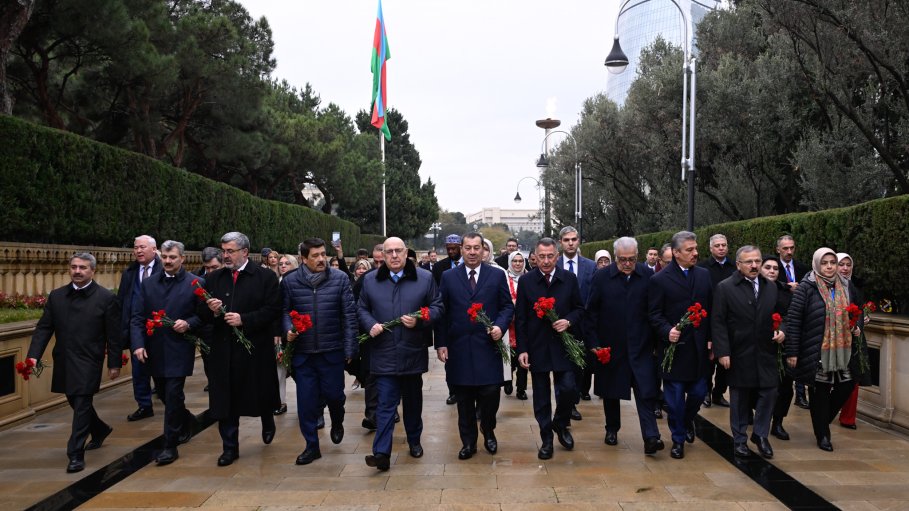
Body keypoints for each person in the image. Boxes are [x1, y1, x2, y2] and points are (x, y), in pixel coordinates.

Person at [28, 253, 122, 473]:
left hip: (89, 360)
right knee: (75, 400)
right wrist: (34, 355)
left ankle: (75, 454)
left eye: (83, 267)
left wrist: (114, 363)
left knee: (81, 404)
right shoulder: (57, 296)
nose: (77, 271)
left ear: (92, 271)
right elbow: (44, 328)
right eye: (74, 267)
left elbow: (114, 335)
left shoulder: (106, 298)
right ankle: (99, 429)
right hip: (64, 358)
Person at [358, 237, 442, 470]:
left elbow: (437, 307)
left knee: (413, 402)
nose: (394, 256)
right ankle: (381, 452)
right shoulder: (370, 281)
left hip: (412, 351)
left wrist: (420, 319)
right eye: (389, 252)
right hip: (383, 351)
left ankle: (414, 440)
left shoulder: (424, 278)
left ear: (406, 254)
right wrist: (370, 323)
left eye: (398, 251)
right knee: (385, 403)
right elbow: (361, 308)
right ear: (382, 256)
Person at [199, 232, 282, 467]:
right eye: (223, 251)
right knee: (225, 400)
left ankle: (268, 419)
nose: (225, 255)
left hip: (254, 348)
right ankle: (229, 447)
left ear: (244, 252)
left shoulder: (265, 277)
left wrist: (244, 319)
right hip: (224, 351)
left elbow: (272, 310)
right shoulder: (214, 279)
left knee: (259, 392)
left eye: (230, 251)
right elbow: (200, 312)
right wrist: (212, 310)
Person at [436, 232, 514, 459]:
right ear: (461, 249)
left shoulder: (496, 276)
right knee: (464, 399)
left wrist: (500, 326)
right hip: (459, 348)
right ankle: (468, 442)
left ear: (483, 250)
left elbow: (507, 307)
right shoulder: (449, 277)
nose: (472, 252)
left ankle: (488, 429)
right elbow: (442, 312)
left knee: (491, 393)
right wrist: (440, 343)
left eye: (476, 248)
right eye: (467, 248)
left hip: (488, 347)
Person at [583, 237, 663, 455]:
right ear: (615, 257)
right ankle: (612, 428)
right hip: (611, 345)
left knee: (645, 391)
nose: (627, 264)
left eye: (632, 259)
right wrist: (594, 344)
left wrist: (657, 343)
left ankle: (651, 436)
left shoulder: (647, 276)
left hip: (641, 344)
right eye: (622, 260)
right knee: (611, 390)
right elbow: (591, 313)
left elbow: (655, 311)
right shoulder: (601, 277)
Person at [281, 238, 358, 465]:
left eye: (323, 254)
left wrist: (350, 347)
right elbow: (284, 312)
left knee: (335, 395)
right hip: (303, 354)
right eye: (315, 256)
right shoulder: (290, 281)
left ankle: (337, 419)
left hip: (331, 351)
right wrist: (288, 330)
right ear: (303, 259)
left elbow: (349, 316)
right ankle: (311, 446)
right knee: (306, 402)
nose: (321, 259)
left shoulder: (340, 279)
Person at [785, 247, 866, 452]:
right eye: (825, 263)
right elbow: (794, 321)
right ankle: (823, 434)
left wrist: (856, 326)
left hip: (843, 348)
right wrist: (793, 352)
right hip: (816, 349)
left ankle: (821, 421)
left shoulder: (846, 285)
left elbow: (856, 310)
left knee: (846, 385)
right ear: (817, 264)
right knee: (820, 391)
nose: (830, 267)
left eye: (833, 263)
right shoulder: (807, 287)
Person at [131, 240, 203, 465]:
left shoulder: (196, 283)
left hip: (179, 349)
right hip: (154, 350)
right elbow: (138, 318)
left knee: (172, 395)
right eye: (165, 257)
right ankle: (187, 420)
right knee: (164, 395)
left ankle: (169, 446)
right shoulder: (149, 284)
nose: (168, 261)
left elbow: (204, 317)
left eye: (173, 257)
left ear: (182, 258)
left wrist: (189, 323)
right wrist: (138, 344)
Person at [712, 246, 787, 459]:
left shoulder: (771, 287)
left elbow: (784, 314)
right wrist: (722, 351)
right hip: (739, 351)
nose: (754, 266)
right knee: (740, 398)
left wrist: (782, 331)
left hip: (766, 351)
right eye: (749, 262)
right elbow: (718, 322)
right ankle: (739, 439)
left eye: (757, 261)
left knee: (770, 392)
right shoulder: (725, 288)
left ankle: (760, 434)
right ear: (738, 265)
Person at [515, 238, 585, 460]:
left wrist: (568, 321)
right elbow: (521, 319)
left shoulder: (569, 279)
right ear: (534, 257)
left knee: (569, 389)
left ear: (557, 256)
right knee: (542, 396)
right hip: (537, 347)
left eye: (550, 256)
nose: (546, 261)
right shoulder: (526, 281)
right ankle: (546, 438)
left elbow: (580, 309)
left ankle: (560, 423)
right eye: (541, 256)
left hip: (564, 346)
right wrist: (522, 349)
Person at [648, 231, 712, 460]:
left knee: (698, 392)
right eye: (689, 250)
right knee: (674, 402)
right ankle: (677, 439)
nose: (695, 253)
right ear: (676, 253)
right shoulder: (659, 280)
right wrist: (667, 331)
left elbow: (711, 309)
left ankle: (686, 423)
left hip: (698, 348)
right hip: (674, 350)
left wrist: (712, 338)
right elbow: (654, 314)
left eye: (696, 249)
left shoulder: (704, 275)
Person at [118, 235, 162, 422]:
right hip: (136, 328)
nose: (138, 251)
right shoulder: (130, 272)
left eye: (142, 247)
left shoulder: (164, 269)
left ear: (154, 249)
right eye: (136, 247)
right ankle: (144, 405)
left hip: (160, 328)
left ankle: (167, 397)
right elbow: (122, 300)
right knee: (139, 369)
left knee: (162, 370)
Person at [557, 226, 596, 415]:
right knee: (561, 369)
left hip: (583, 326)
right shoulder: (553, 265)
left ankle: (573, 399)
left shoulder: (590, 266)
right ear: (560, 242)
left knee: (580, 367)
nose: (570, 243)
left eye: (573, 239)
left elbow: (595, 296)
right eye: (566, 240)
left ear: (578, 241)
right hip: (558, 325)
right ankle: (566, 405)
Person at [698, 234, 736, 409]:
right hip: (709, 318)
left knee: (727, 362)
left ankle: (719, 393)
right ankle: (706, 391)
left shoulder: (734, 266)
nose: (721, 248)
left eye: (724, 245)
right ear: (711, 248)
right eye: (717, 246)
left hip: (730, 320)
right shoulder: (703, 268)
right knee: (709, 361)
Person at [761, 256, 795, 441]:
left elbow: (791, 316)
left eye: (775, 268)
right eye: (768, 267)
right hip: (759, 346)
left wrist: (783, 329)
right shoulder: (752, 290)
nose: (772, 271)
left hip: (782, 346)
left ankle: (778, 422)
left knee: (784, 386)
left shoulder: (786, 292)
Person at [776, 235, 812, 410]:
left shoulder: (802, 268)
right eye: (785, 248)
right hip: (780, 319)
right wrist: (786, 286)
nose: (789, 251)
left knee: (798, 356)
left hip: (800, 319)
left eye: (792, 248)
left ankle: (800, 394)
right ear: (778, 250)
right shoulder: (772, 268)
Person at [836, 252, 871, 430]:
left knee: (854, 378)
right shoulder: (824, 286)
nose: (845, 268)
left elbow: (858, 309)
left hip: (854, 339)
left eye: (848, 264)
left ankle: (848, 418)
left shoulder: (855, 287)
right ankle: (825, 412)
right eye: (841, 264)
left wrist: (860, 322)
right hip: (832, 339)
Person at [433, 234, 464, 405]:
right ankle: (453, 391)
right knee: (449, 359)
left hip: (466, 316)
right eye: (448, 249)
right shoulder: (439, 267)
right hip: (447, 317)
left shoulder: (468, 264)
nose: (451, 251)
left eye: (454, 248)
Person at [273, 254, 300, 416]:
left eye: (287, 263)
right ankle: (280, 401)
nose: (283, 266)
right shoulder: (276, 283)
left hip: (295, 331)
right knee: (279, 368)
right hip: (280, 334)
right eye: (281, 263)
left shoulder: (295, 283)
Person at [506, 251, 528, 400]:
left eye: (520, 261)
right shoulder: (504, 279)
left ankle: (521, 388)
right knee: (509, 356)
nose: (518, 264)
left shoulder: (528, 278)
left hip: (524, 325)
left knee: (524, 356)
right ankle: (507, 381)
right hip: (508, 326)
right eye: (515, 261)